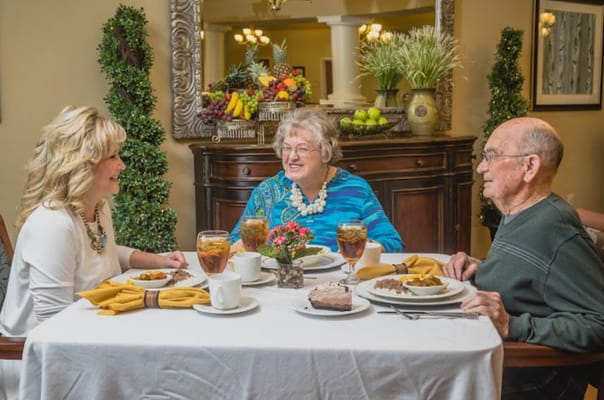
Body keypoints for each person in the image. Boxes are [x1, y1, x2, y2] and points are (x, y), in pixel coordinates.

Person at [0, 106, 188, 399]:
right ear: (82, 165)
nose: (122, 165)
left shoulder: (97, 207)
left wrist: (158, 260)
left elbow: (101, 250)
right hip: (41, 366)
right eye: (113, 156)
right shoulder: (52, 224)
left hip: (86, 341)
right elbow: (55, 324)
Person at [442, 117, 604, 400]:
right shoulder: (519, 214)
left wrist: (512, 325)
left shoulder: (552, 227)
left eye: (491, 156)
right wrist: (479, 267)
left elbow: (599, 321)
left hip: (538, 380)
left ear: (529, 166)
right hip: (506, 361)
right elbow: (533, 275)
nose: (481, 167)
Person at [230, 107, 403, 253]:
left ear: (325, 151)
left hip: (341, 283)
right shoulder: (267, 192)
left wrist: (358, 248)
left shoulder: (355, 190)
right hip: (281, 284)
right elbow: (233, 244)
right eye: (287, 148)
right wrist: (246, 246)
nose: (292, 157)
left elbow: (392, 244)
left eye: (302, 149)